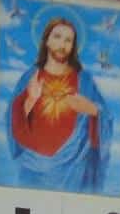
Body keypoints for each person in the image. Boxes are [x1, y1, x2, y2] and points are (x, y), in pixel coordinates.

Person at [7, 14, 112, 193]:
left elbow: (104, 116)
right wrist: (30, 100)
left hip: (75, 171)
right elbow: (13, 121)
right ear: (46, 41)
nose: (62, 45)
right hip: (33, 170)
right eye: (57, 37)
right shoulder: (30, 77)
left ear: (73, 47)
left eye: (68, 40)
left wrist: (93, 110)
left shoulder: (84, 81)